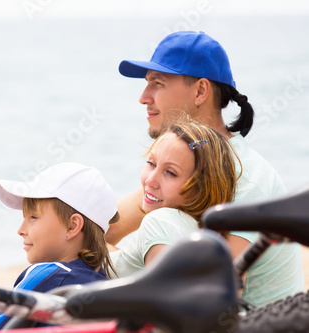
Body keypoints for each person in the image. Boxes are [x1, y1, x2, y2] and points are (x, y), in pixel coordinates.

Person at [106, 30, 304, 307]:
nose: (143, 97)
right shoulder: (177, 163)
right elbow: (106, 226)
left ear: (200, 91)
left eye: (158, 83)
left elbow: (212, 293)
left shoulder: (243, 175)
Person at [0, 162, 119, 330]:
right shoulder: (103, 288)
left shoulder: (48, 275)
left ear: (72, 226)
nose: (20, 230)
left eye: (33, 217)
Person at [109, 119, 237, 271]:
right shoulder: (204, 238)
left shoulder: (160, 223)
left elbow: (164, 293)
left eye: (170, 172)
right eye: (151, 163)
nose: (150, 181)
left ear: (200, 190)